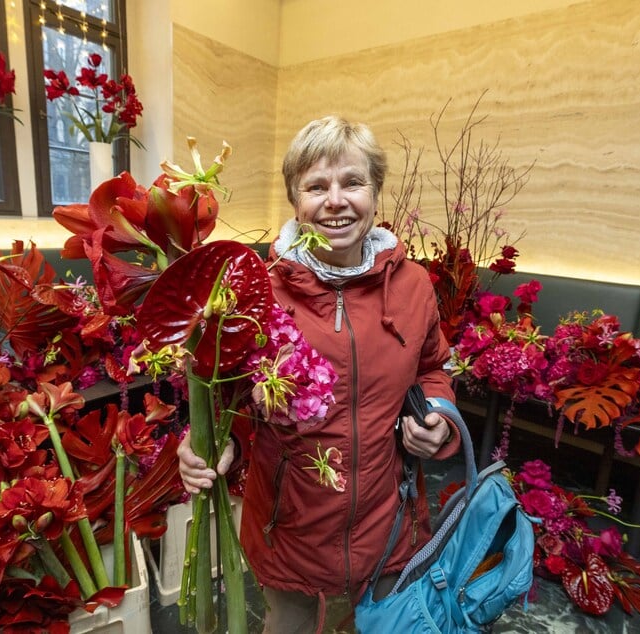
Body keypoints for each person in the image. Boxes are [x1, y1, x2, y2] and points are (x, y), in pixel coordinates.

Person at [178, 115, 461, 633]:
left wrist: (438, 417)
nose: (336, 201)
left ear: (375, 193)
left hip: (387, 524)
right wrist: (215, 443)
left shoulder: (413, 285)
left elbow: (431, 368)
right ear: (295, 199)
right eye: (316, 187)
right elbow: (230, 397)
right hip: (290, 529)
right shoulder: (256, 290)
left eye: (352, 182)